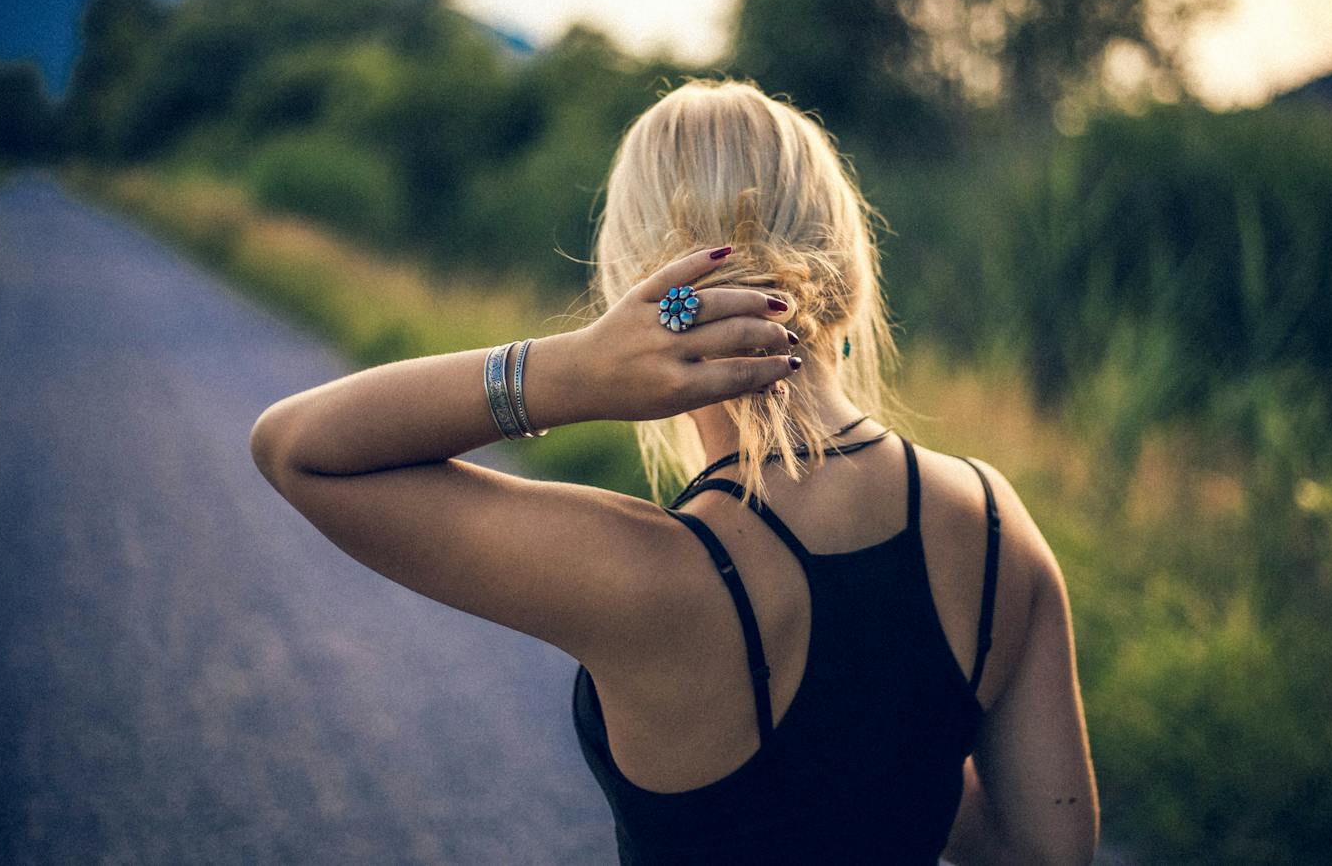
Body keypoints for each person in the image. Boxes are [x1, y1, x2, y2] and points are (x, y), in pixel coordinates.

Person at [249, 77, 1098, 864]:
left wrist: (570, 372)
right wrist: (890, 733)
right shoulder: (993, 522)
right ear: (847, 276)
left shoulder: (647, 576)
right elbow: (1045, 850)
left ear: (630, 290)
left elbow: (298, 448)